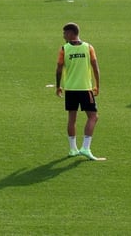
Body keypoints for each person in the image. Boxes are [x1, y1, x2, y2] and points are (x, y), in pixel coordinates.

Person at [55, 22, 101, 161]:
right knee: (93, 117)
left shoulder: (64, 49)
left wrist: (58, 86)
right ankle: (85, 148)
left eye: (64, 33)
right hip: (85, 88)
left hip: (70, 89)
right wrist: (97, 85)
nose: (63, 36)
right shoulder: (89, 47)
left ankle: (73, 149)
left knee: (72, 119)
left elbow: (59, 69)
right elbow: (95, 67)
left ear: (71, 33)